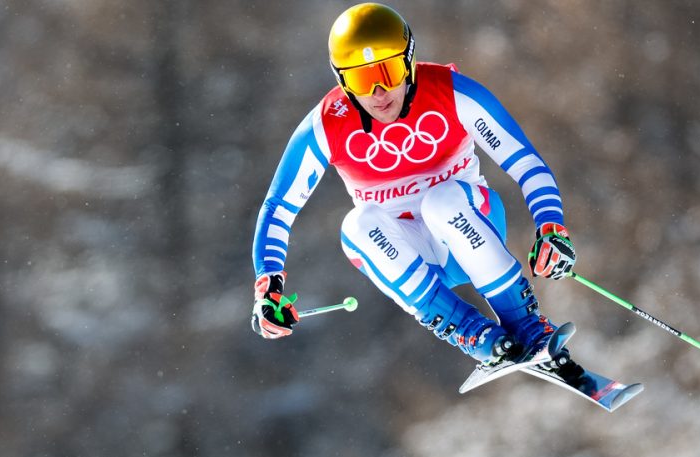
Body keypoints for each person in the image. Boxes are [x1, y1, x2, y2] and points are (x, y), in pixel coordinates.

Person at [251, 2, 591, 388]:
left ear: (410, 61)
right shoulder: (327, 125)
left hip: (470, 226)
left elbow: (524, 162)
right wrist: (269, 286)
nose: (379, 92)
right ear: (342, 81)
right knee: (355, 226)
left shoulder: (451, 93)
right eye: (362, 80)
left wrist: (551, 227)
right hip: (410, 254)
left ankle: (526, 324)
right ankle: (476, 336)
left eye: (389, 71)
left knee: (440, 202)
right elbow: (279, 207)